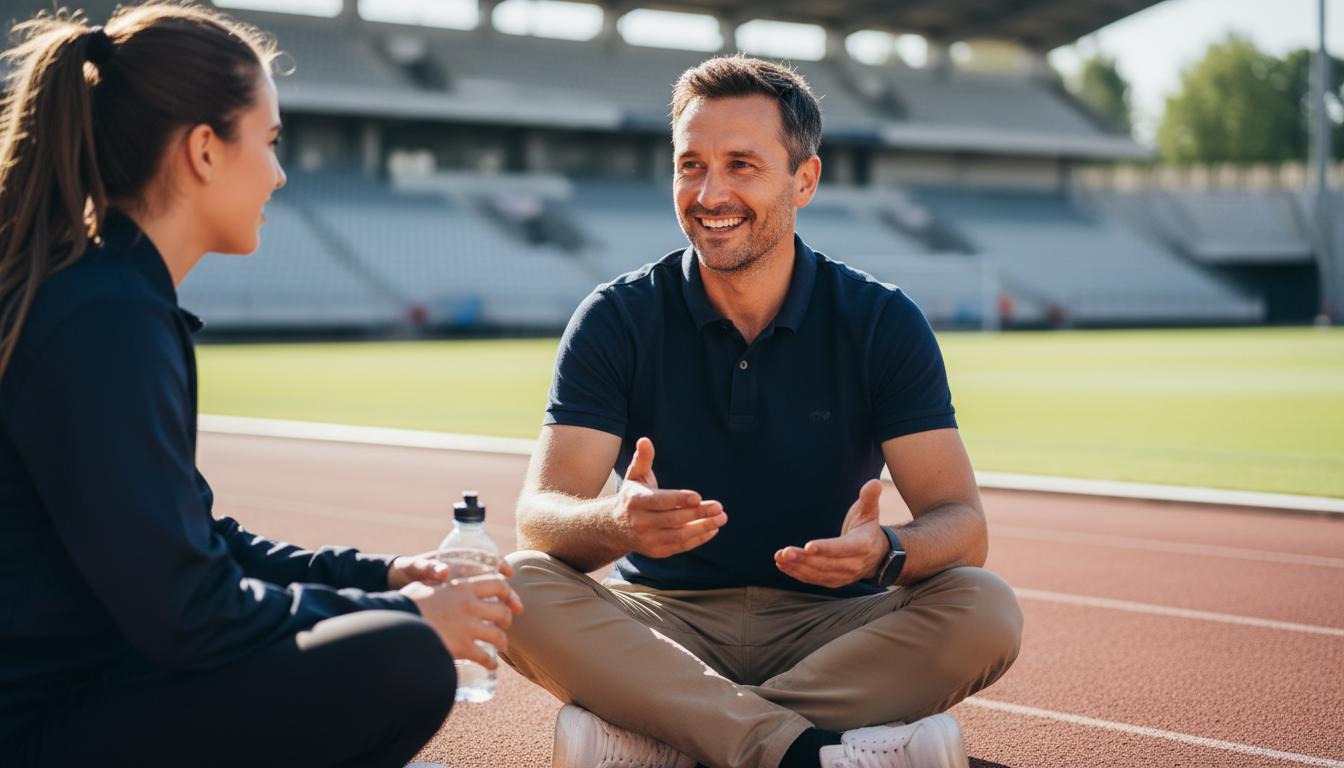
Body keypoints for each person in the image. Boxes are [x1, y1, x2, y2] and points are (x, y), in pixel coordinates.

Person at [0, 5, 521, 766]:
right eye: (271, 142)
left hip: (82, 693)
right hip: (42, 729)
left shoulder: (106, 296)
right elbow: (190, 614)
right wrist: (409, 613)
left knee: (392, 640)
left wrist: (382, 577)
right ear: (204, 150)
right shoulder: (106, 318)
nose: (279, 174)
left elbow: (201, 546)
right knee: (402, 657)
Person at [503, 55, 1023, 768]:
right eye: (690, 166)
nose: (709, 193)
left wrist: (886, 551)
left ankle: (672, 738)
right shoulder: (616, 317)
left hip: (834, 628)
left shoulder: (880, 320)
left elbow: (962, 524)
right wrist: (615, 523)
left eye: (741, 165)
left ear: (803, 180)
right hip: (661, 625)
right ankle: (806, 753)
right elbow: (540, 517)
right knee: (514, 584)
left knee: (984, 607)